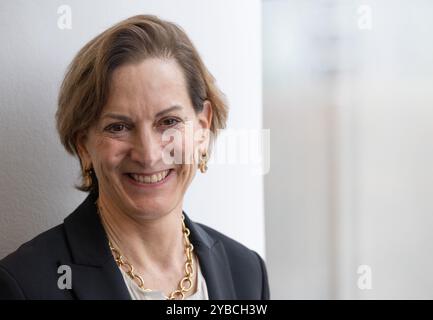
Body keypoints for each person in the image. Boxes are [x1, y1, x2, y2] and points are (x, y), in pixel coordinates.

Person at [0, 14, 270, 300]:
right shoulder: (24, 285)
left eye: (168, 122)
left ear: (202, 128)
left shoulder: (247, 272)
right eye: (119, 127)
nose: (148, 154)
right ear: (83, 146)